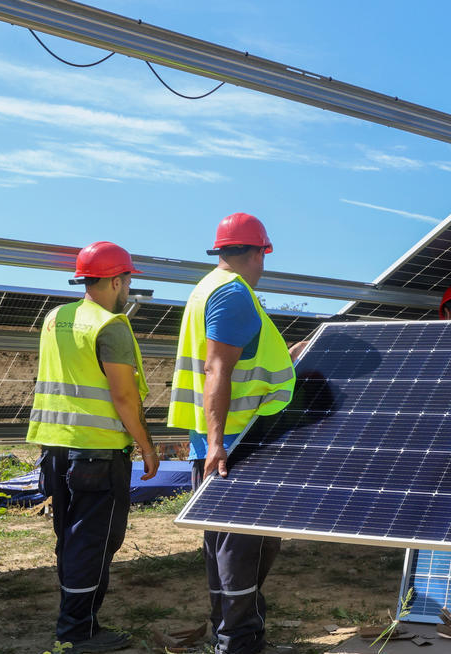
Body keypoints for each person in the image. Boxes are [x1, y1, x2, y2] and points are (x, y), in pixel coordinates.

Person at [167, 213, 301, 654]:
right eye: (264, 255)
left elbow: (242, 361)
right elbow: (217, 368)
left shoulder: (206, 288)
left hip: (222, 442)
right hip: (237, 446)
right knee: (241, 553)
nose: (265, 265)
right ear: (256, 252)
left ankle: (236, 634)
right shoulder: (234, 294)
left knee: (230, 548)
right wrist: (219, 443)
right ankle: (238, 642)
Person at [29, 241, 159, 653]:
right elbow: (123, 397)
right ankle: (77, 633)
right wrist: (148, 447)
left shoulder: (56, 318)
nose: (128, 292)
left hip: (56, 451)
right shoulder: (110, 325)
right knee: (94, 543)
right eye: (127, 283)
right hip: (98, 456)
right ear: (117, 280)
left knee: (70, 539)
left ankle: (75, 621)